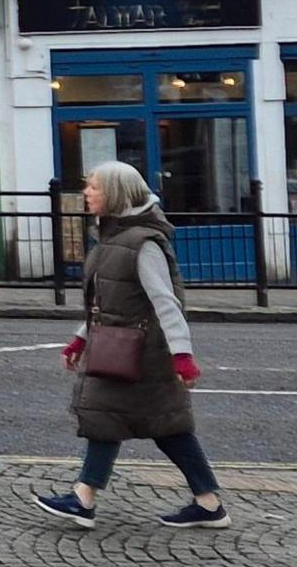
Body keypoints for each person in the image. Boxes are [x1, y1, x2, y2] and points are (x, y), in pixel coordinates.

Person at [31, 159, 229, 530]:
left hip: (141, 354)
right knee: (158, 426)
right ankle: (208, 502)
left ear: (117, 195)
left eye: (94, 187)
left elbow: (166, 302)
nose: (86, 193)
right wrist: (79, 338)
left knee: (125, 421)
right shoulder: (112, 239)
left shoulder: (143, 244)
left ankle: (83, 499)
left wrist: (182, 357)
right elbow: (104, 303)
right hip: (118, 345)